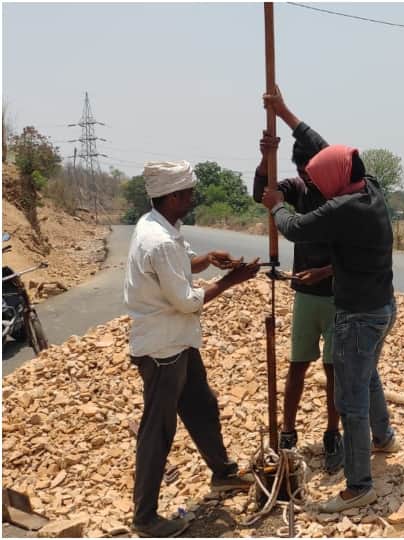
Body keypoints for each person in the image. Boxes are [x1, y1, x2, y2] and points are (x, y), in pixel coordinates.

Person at [260, 106, 398, 513]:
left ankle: (359, 485)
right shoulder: (368, 187)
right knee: (367, 374)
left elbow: (294, 229)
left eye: (322, 182)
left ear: (336, 179)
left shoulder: (342, 210)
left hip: (359, 315)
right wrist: (285, 114)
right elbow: (328, 151)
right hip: (383, 306)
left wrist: (276, 205)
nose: (320, 188)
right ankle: (384, 437)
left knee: (350, 399)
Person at [124, 160, 260, 537]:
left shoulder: (159, 225)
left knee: (202, 404)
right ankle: (145, 517)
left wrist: (209, 259)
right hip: (163, 347)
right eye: (186, 194)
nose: (191, 198)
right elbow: (186, 301)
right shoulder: (160, 240)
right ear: (169, 197)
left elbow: (184, 266)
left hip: (178, 342)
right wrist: (232, 280)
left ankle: (222, 473)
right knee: (158, 430)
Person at [252, 90, 343, 473]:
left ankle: (332, 434)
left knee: (334, 370)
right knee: (297, 366)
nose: (310, 178)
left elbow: (358, 252)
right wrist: (265, 158)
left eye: (314, 171)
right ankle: (287, 431)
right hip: (306, 295)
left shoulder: (342, 194)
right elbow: (263, 194)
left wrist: (325, 271)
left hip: (337, 295)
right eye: (305, 172)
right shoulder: (298, 188)